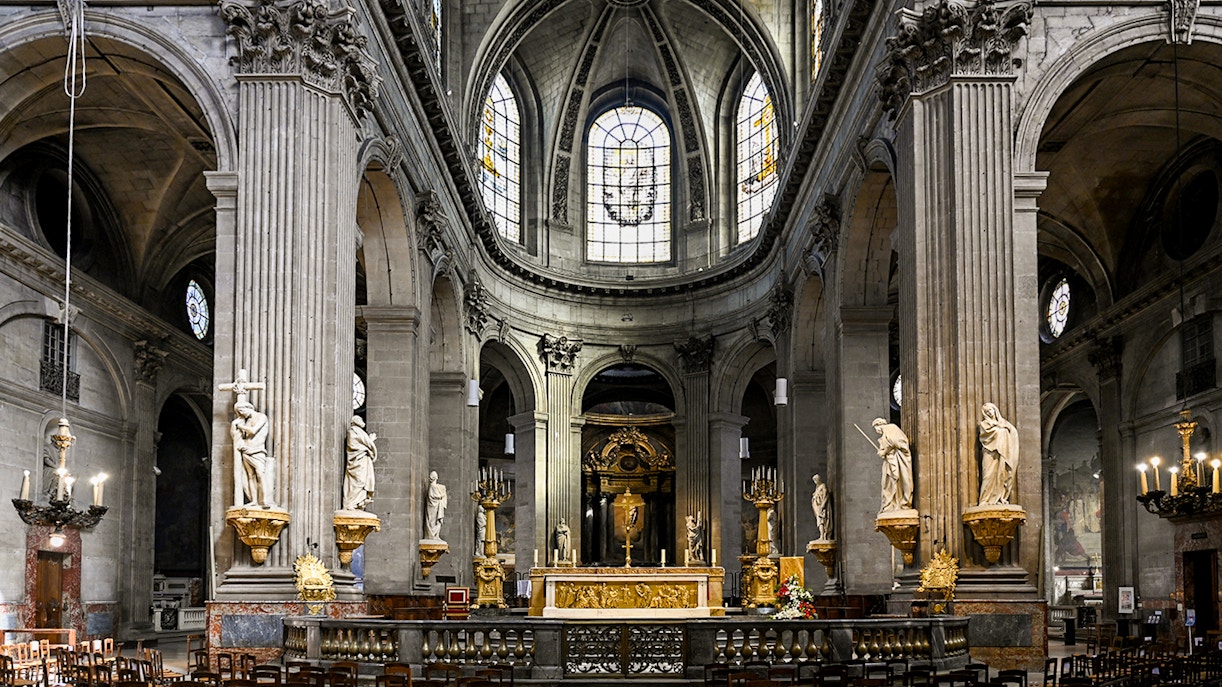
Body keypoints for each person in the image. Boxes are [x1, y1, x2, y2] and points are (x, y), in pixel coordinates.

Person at [232, 399, 274, 508]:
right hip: (246, 449)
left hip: (257, 450)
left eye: (242, 410)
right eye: (239, 412)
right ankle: (254, 500)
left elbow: (253, 431)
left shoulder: (261, 417)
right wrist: (234, 425)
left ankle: (264, 500)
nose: (241, 413)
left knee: (260, 473)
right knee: (250, 476)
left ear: (249, 407)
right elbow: (240, 436)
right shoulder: (246, 421)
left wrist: (239, 426)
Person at [978, 402, 1019, 505]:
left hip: (1002, 454)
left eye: (990, 410)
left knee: (1001, 475)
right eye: (987, 412)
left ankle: (999, 498)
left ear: (995, 410)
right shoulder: (984, 424)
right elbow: (986, 436)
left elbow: (1013, 432)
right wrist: (1002, 430)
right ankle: (985, 500)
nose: (989, 413)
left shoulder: (1004, 423)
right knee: (988, 476)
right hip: (990, 453)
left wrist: (1005, 429)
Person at [872, 417, 913, 512]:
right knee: (887, 483)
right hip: (889, 462)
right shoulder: (884, 435)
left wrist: (884, 451)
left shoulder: (891, 428)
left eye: (875, 428)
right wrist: (883, 452)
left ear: (879, 425)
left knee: (899, 480)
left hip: (897, 460)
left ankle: (901, 503)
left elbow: (897, 443)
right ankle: (890, 504)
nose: (877, 431)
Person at [342, 415, 377, 511]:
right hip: (357, 462)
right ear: (354, 421)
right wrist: (369, 442)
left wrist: (369, 442)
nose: (361, 421)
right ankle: (351, 503)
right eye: (359, 419)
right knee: (359, 481)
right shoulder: (352, 432)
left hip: (363, 461)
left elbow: (366, 445)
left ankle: (359, 502)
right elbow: (353, 446)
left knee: (363, 481)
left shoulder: (361, 432)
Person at [424, 470, 448, 541]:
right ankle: (432, 535)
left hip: (435, 506)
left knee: (436, 521)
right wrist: (443, 494)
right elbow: (436, 496)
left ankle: (435, 535)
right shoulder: (433, 486)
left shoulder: (433, 486)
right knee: (433, 521)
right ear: (436, 478)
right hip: (433, 507)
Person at [811, 474, 832, 541]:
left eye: (816, 480)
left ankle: (823, 536)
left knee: (822, 521)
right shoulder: (817, 488)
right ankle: (821, 535)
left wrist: (823, 504)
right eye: (814, 480)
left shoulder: (823, 486)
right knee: (819, 521)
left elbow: (826, 495)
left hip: (822, 507)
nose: (815, 481)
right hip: (817, 507)